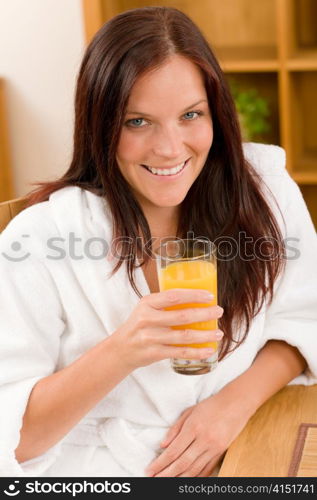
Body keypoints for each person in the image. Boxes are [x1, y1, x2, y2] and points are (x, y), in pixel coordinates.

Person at [0, 6, 317, 478]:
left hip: (243, 447)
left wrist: (230, 407)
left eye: (191, 115)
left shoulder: (264, 193)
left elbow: (304, 320)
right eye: (137, 122)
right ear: (100, 126)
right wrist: (123, 349)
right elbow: (15, 438)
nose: (170, 148)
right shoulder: (42, 239)